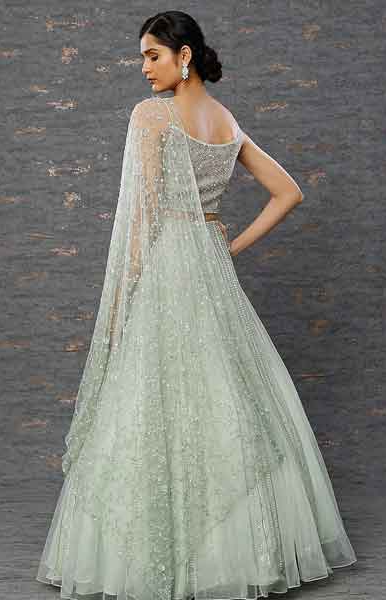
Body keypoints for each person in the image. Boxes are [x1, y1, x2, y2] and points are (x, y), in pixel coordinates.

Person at [36, 10, 357, 600]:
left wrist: (122, 300)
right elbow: (288, 192)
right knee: (225, 395)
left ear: (184, 56)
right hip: (210, 266)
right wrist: (226, 247)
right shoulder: (226, 121)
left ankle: (166, 559)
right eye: (142, 57)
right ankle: (237, 555)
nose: (143, 68)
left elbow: (141, 219)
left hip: (167, 265)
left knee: (157, 400)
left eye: (152, 55)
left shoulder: (151, 117)